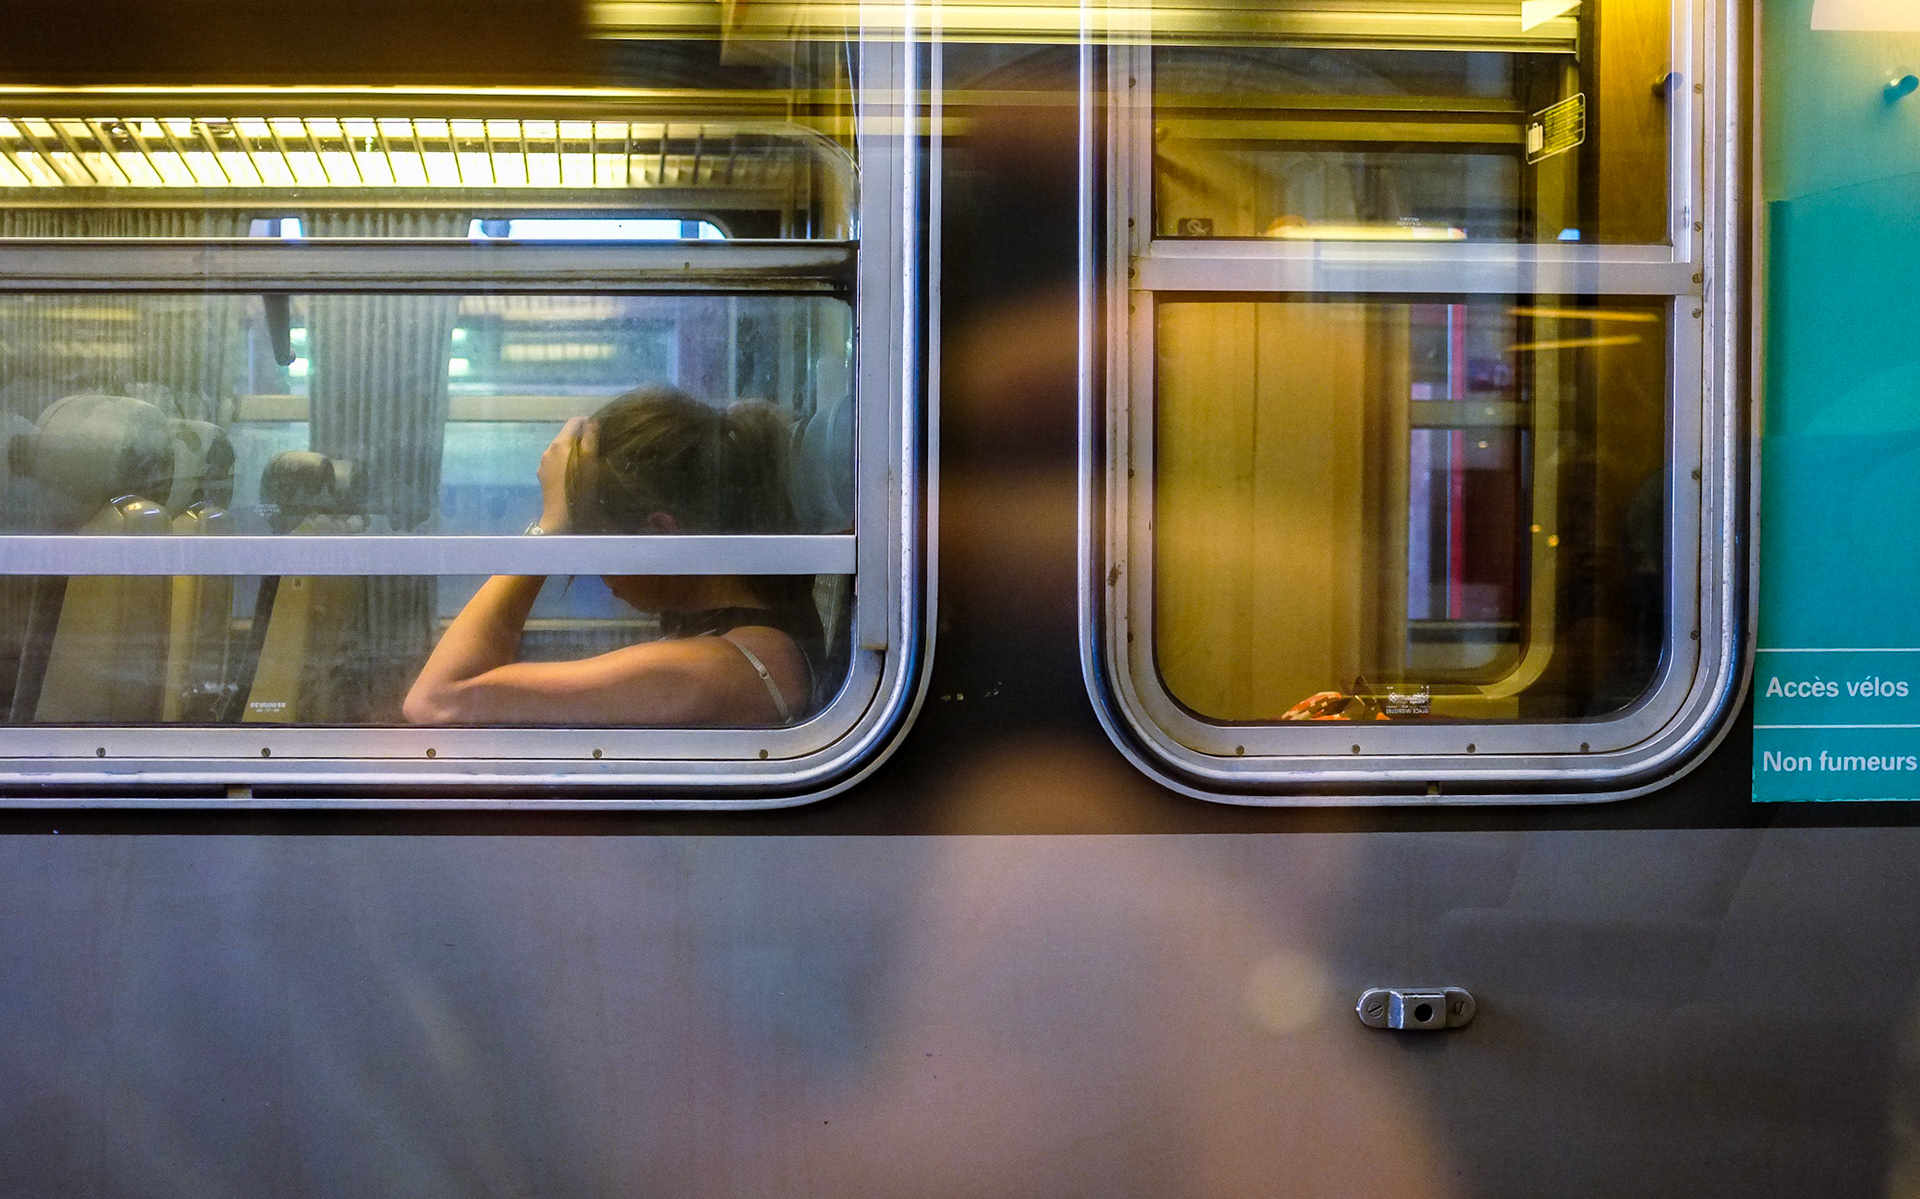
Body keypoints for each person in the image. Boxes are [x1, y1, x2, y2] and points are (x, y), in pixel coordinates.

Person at [403, 385, 822, 727]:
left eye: (593, 542)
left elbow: (436, 700)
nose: (596, 573)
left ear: (659, 532)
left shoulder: (715, 668)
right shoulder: (751, 637)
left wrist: (548, 532)